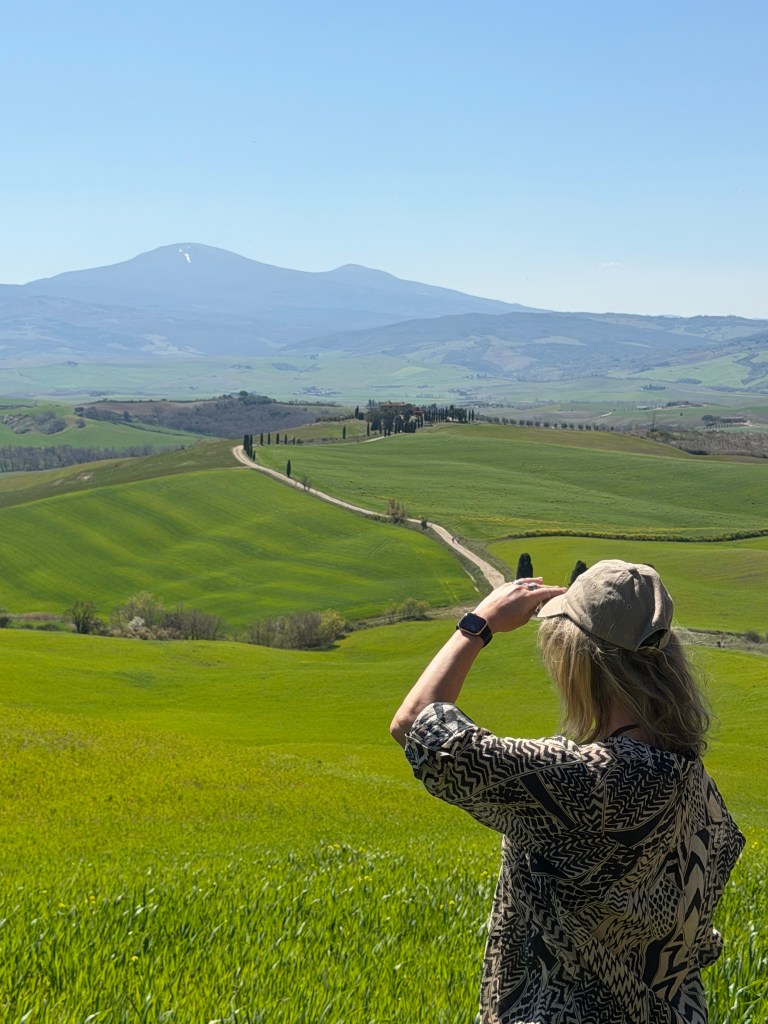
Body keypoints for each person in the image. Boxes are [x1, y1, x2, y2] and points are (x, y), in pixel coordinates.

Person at [390, 561, 744, 1024]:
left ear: (579, 663)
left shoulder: (586, 780)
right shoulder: (699, 790)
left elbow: (417, 725)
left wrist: (478, 624)